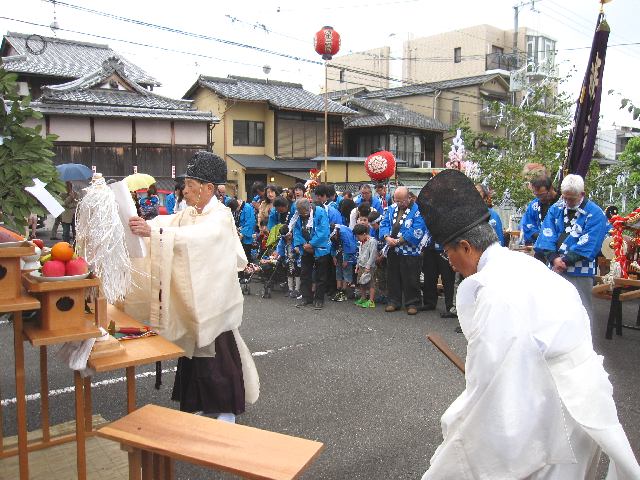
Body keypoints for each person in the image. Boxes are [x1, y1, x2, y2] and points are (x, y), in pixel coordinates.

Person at [417, 169, 640, 479]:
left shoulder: (497, 294)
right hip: (582, 400)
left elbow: (492, 387)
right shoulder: (522, 264)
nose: (449, 262)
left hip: (554, 411)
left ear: (466, 247)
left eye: (448, 253)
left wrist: (462, 420)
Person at [128, 151, 259, 423]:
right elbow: (166, 223)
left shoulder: (219, 216)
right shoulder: (190, 212)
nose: (184, 191)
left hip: (213, 300)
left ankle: (225, 410)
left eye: (190, 185)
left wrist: (154, 232)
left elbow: (201, 237)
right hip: (195, 298)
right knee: (195, 354)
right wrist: (147, 225)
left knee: (216, 356)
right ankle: (201, 403)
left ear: (208, 188)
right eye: (186, 185)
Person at [534, 174, 609, 325]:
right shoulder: (556, 208)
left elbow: (591, 242)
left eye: (571, 199)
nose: (567, 202)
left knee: (581, 310)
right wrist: (554, 258)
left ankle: (582, 346)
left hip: (580, 269)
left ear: (582, 194)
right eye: (565, 197)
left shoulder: (595, 213)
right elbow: (547, 233)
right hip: (555, 267)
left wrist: (566, 260)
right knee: (553, 310)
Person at [379, 186, 425, 315]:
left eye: (401, 201)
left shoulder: (418, 210)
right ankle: (393, 301)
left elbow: (418, 229)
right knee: (393, 276)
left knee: (411, 277)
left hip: (410, 250)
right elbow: (384, 223)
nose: (398, 203)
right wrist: (387, 237)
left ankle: (413, 303)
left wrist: (399, 240)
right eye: (396, 200)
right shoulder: (391, 208)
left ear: (409, 198)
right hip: (392, 248)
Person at [292, 198, 331, 310]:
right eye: (301, 213)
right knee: (305, 273)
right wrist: (303, 244)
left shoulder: (320, 212)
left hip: (320, 247)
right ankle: (306, 297)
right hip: (305, 248)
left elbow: (324, 231)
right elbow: (297, 231)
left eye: (305, 213)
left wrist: (312, 244)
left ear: (309, 207)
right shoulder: (298, 215)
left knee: (321, 275)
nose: (303, 215)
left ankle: (319, 299)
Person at [521, 171, 560, 260]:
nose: (540, 198)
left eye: (542, 195)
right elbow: (528, 225)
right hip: (541, 249)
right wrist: (542, 236)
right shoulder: (533, 205)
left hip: (559, 250)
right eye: (536, 195)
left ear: (550, 189)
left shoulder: (562, 203)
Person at [330, 223, 357, 302]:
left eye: (334, 236)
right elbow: (332, 245)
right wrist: (333, 256)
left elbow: (349, 246)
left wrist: (346, 260)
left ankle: (345, 291)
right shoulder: (332, 233)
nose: (333, 237)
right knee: (338, 271)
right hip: (339, 254)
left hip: (348, 255)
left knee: (346, 271)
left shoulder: (344, 233)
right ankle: (339, 290)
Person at [353, 223, 377, 308]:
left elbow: (373, 255)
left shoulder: (372, 241)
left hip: (369, 266)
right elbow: (360, 254)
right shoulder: (361, 242)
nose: (357, 238)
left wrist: (368, 266)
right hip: (361, 265)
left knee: (371, 283)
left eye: (358, 236)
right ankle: (363, 297)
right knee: (361, 282)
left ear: (364, 234)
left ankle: (371, 300)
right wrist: (357, 265)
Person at [274, 225, 301, 298]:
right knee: (289, 273)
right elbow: (280, 249)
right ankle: (290, 289)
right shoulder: (282, 240)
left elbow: (300, 248)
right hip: (288, 259)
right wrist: (282, 258)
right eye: (285, 237)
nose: (287, 238)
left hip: (297, 259)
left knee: (297, 273)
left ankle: (297, 289)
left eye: (287, 236)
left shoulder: (296, 237)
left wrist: (296, 252)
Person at [228, 198, 257, 264]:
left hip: (247, 236)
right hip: (242, 233)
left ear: (238, 206)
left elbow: (250, 223)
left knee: (246, 256)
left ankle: (247, 271)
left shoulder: (247, 208)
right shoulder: (241, 208)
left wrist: (242, 234)